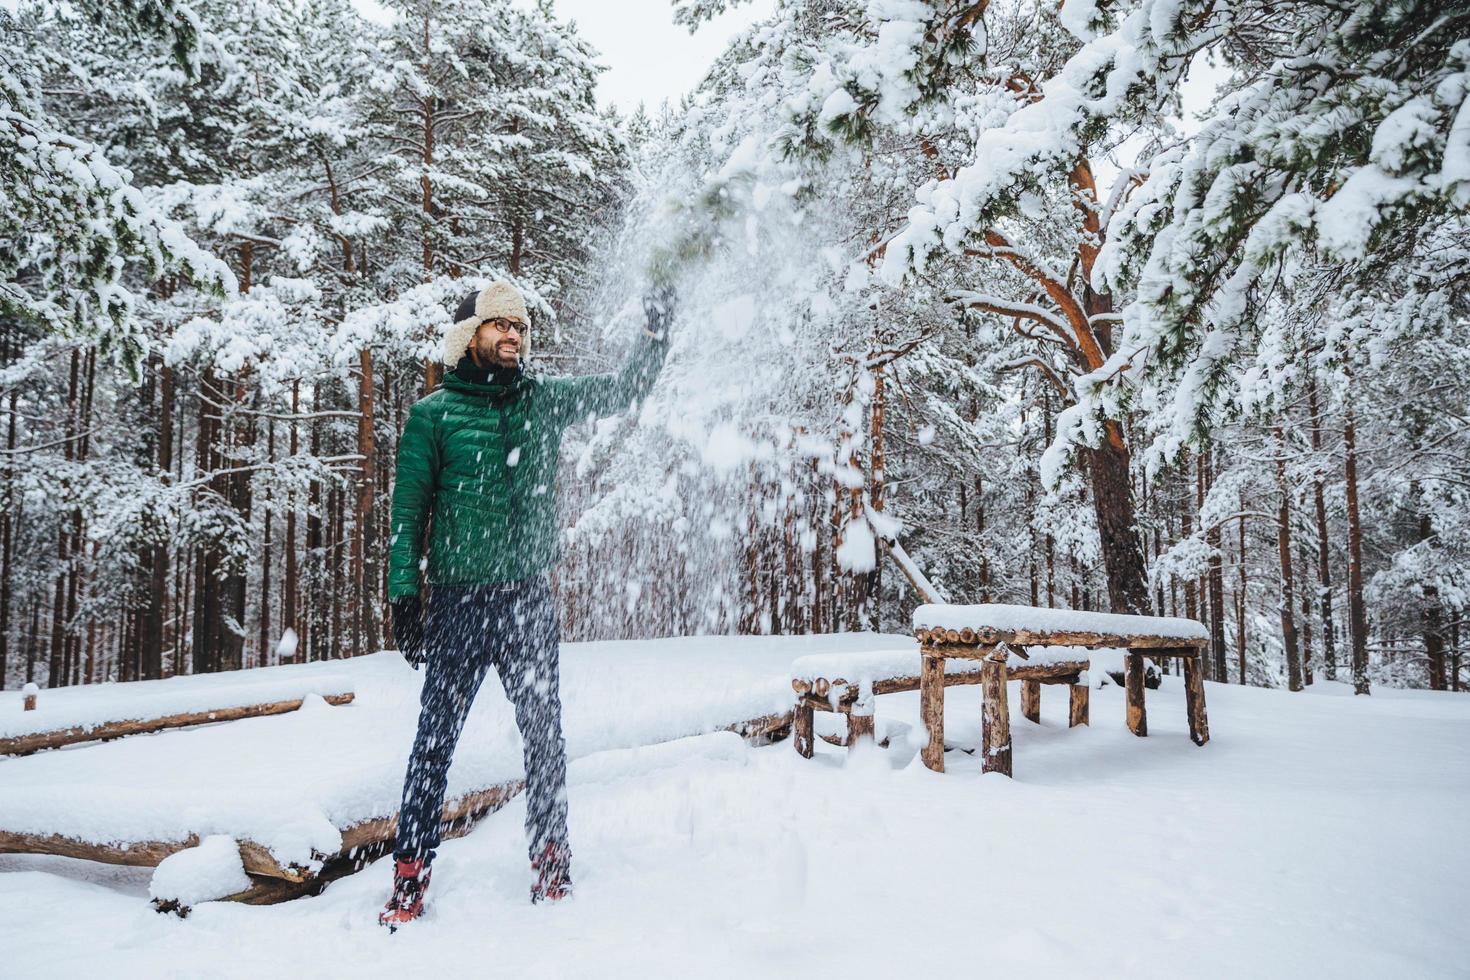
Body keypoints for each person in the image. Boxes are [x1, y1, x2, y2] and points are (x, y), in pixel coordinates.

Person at [378, 278, 673, 929]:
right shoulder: (434, 416)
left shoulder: (543, 401)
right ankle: (409, 874)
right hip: (458, 606)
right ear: (470, 336)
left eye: (520, 328)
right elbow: (408, 513)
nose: (513, 336)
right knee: (434, 745)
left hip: (527, 603)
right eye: (500, 326)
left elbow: (623, 391)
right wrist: (405, 594)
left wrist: (654, 335)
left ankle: (551, 858)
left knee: (545, 738)